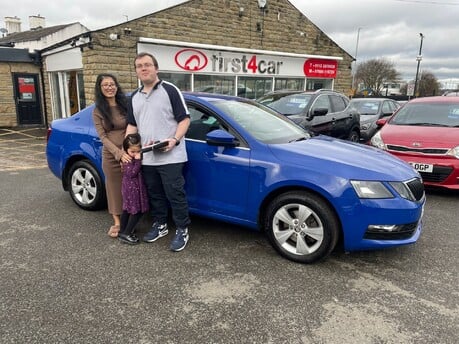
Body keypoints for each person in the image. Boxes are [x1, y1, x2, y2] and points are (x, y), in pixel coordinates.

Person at [126, 52, 191, 252]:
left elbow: (185, 119)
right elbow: (132, 125)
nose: (143, 68)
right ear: (136, 71)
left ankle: (182, 229)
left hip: (171, 156)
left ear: (156, 68)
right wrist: (130, 149)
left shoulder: (170, 90)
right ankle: (160, 224)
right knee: (155, 194)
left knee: (175, 194)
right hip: (147, 157)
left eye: (147, 65)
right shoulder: (134, 97)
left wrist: (174, 139)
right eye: (139, 66)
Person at [93, 73, 131, 238]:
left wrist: (128, 151)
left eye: (112, 84)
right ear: (100, 89)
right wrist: (118, 153)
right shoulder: (98, 110)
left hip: (130, 153)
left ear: (117, 86)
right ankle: (117, 221)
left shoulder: (126, 105)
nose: (109, 87)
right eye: (105, 85)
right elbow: (102, 137)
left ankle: (131, 218)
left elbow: (133, 127)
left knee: (130, 186)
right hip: (111, 155)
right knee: (114, 188)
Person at [117, 133, 149, 245]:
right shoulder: (127, 160)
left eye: (138, 151)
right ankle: (127, 233)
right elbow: (132, 173)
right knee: (136, 211)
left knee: (127, 209)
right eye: (132, 152)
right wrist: (138, 160)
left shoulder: (132, 158)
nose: (135, 154)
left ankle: (122, 231)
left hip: (136, 188)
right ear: (126, 151)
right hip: (131, 189)